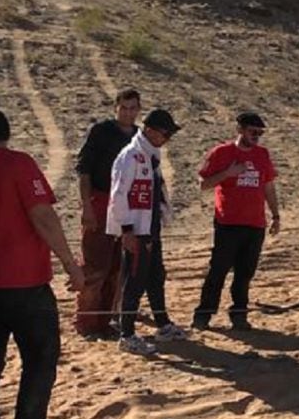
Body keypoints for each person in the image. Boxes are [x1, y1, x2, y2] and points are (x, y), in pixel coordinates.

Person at [0, 108, 86, 419]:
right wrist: (70, 263)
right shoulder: (18, 164)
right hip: (22, 283)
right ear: (8, 132)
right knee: (41, 357)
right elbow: (43, 216)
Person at [108, 108, 186, 355]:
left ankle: (163, 325)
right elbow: (118, 196)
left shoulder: (150, 155)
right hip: (136, 230)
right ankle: (127, 334)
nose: (167, 139)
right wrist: (127, 230)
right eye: (165, 133)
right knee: (135, 280)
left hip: (150, 228)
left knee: (155, 277)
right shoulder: (131, 156)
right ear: (150, 130)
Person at [193, 112, 280, 331]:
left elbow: (268, 186)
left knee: (245, 273)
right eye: (253, 132)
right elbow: (203, 184)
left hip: (255, 224)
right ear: (240, 129)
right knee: (218, 270)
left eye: (260, 133)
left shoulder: (262, 155)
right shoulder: (221, 153)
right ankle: (203, 315)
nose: (257, 136)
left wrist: (276, 215)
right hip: (228, 223)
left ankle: (239, 314)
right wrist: (228, 172)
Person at [73, 87, 141, 339]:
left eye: (133, 108)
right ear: (116, 108)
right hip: (101, 200)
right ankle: (86, 322)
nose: (128, 112)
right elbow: (84, 170)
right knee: (95, 266)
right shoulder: (101, 132)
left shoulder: (139, 136)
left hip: (128, 205)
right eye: (124, 107)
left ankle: (105, 321)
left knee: (117, 267)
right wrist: (87, 206)